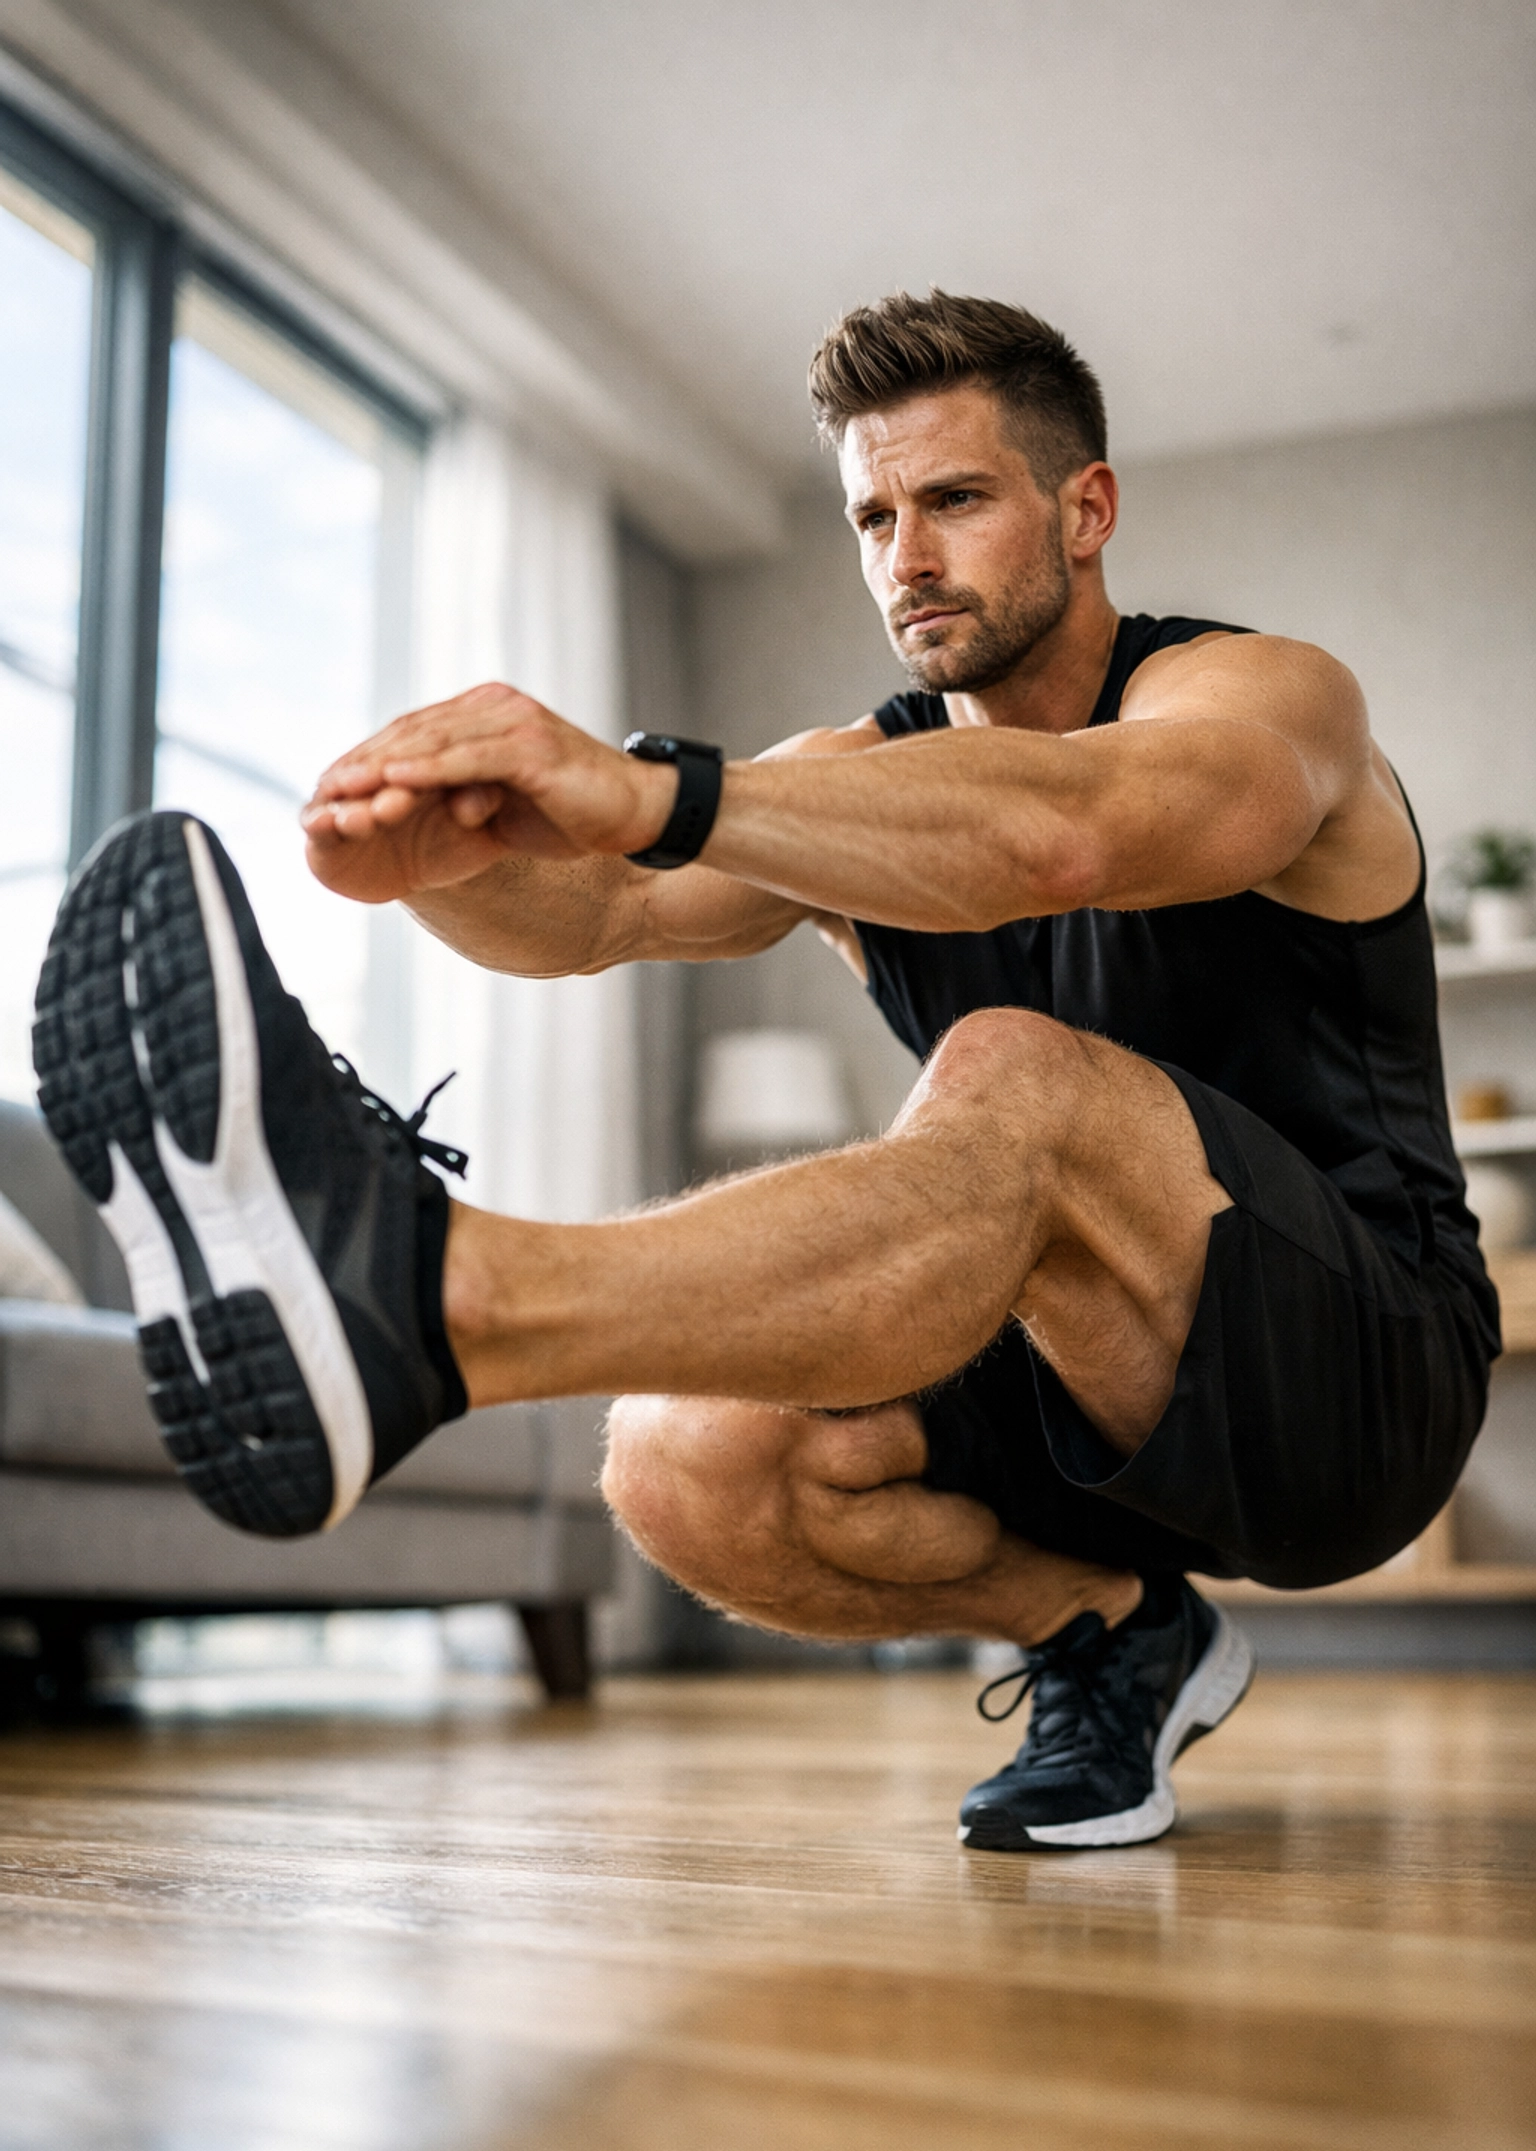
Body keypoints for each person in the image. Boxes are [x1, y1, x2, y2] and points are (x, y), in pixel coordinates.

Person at [34, 292, 1496, 1851]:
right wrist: (436, 856)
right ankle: (1117, 1636)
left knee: (1015, 1070)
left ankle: (439, 1299)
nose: (906, 560)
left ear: (1087, 509)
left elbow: (1072, 829)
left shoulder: (1261, 700)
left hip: (1359, 1383)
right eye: (873, 516)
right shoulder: (847, 781)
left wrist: (647, 789)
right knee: (681, 1458)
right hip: (1079, 1392)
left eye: (952, 501)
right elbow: (602, 909)